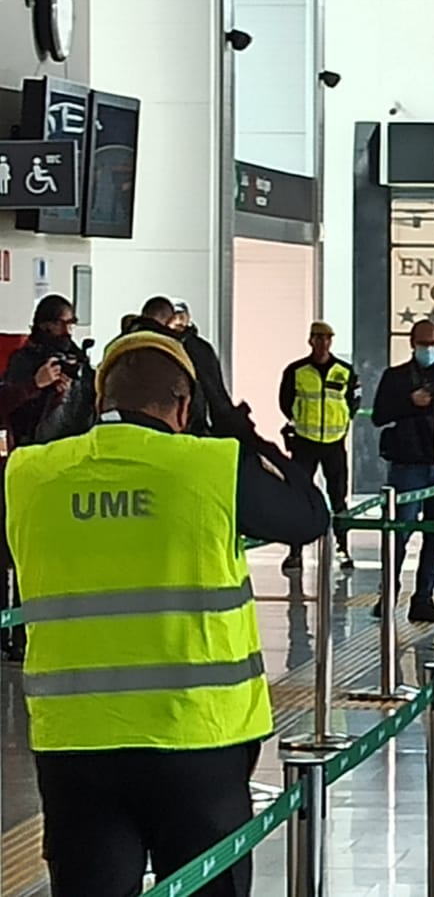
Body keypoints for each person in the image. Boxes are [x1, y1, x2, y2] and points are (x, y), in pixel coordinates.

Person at [5, 331, 328, 897]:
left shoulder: (29, 474)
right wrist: (236, 425)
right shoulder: (211, 467)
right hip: (199, 740)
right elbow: (309, 515)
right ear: (186, 405)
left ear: (96, 399)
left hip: (76, 743)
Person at [371, 319, 434, 624]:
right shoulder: (396, 378)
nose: (428, 349)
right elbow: (379, 416)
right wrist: (409, 402)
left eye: (433, 342)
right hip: (407, 466)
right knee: (399, 533)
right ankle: (388, 594)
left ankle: (424, 597)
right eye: (423, 343)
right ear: (412, 343)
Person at [0, 357, 69, 663]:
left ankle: (19, 637)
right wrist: (34, 385)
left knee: (22, 563)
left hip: (22, 478)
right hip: (9, 479)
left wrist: (56, 396)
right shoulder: (21, 366)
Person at [278, 321, 361, 572]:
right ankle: (295, 551)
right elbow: (285, 402)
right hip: (304, 443)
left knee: (339, 499)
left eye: (327, 338)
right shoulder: (296, 371)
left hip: (334, 444)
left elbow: (353, 402)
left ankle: (343, 549)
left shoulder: (344, 371)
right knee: (298, 497)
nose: (323, 342)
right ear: (310, 340)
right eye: (318, 338)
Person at [127, 295, 234, 437]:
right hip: (184, 436)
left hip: (126, 436)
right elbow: (217, 400)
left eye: (182, 317)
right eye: (175, 317)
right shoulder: (194, 348)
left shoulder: (122, 347)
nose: (178, 322)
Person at [5, 294, 94, 447]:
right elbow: (12, 409)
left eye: (71, 324)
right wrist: (39, 386)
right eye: (60, 324)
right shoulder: (24, 359)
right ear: (44, 325)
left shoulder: (76, 356)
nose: (67, 331)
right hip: (35, 444)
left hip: (78, 441)